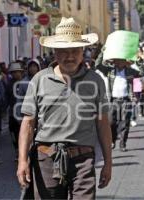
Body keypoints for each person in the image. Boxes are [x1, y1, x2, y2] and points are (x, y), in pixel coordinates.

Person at [17, 17, 112, 199]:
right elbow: (28, 123)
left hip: (83, 160)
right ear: (55, 52)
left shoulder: (95, 80)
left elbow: (103, 124)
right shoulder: (39, 79)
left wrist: (108, 162)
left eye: (75, 50)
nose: (70, 56)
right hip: (46, 158)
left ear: (82, 51)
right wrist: (22, 160)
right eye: (63, 51)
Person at [96, 51, 144, 152]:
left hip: (126, 100)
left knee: (125, 123)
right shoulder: (110, 71)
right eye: (117, 61)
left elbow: (142, 73)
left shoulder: (130, 71)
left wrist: (139, 62)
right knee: (111, 122)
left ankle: (123, 144)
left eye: (122, 60)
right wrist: (102, 52)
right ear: (114, 62)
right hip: (113, 100)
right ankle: (113, 140)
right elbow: (98, 65)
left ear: (125, 62)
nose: (119, 63)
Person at [7, 62, 24, 160]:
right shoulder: (9, 85)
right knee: (13, 133)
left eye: (18, 72)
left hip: (23, 113)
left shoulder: (26, 83)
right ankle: (17, 151)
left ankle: (23, 152)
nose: (16, 74)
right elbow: (6, 98)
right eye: (14, 72)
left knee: (23, 134)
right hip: (12, 114)